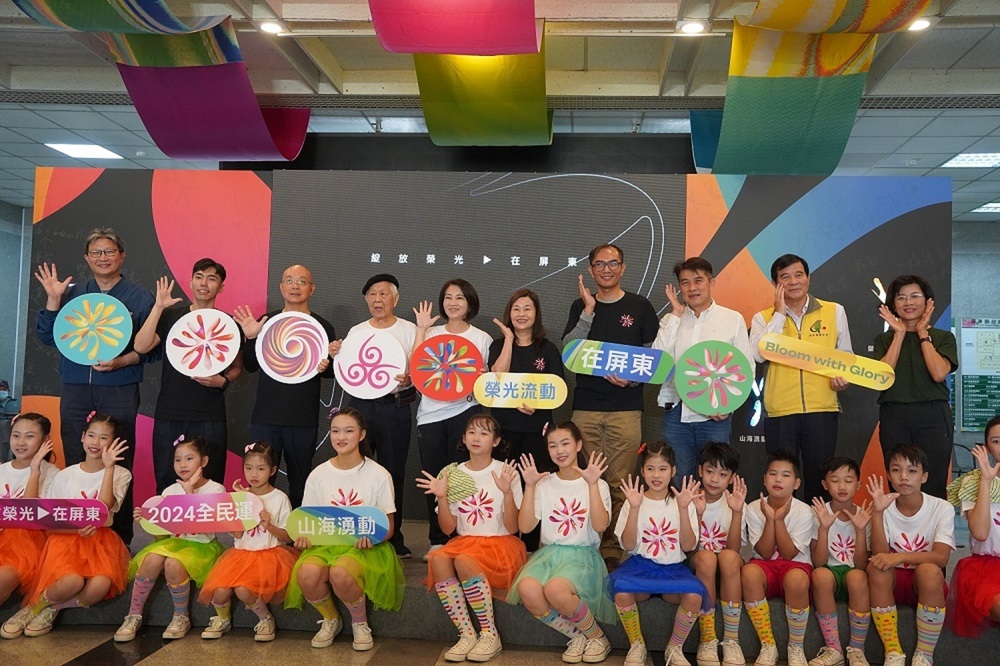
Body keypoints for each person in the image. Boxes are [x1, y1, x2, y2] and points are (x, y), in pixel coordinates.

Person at [34, 228, 156, 544]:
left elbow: (151, 349)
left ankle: (119, 537)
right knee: (77, 453)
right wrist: (53, 299)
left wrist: (121, 362)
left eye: (109, 251)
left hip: (119, 385)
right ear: (87, 258)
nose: (103, 258)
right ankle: (73, 531)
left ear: (122, 256)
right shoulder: (71, 293)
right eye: (96, 252)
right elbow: (47, 336)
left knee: (118, 458)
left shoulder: (140, 296)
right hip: (75, 385)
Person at [562, 244, 659, 568]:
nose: (607, 269)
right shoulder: (581, 305)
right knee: (585, 479)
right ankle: (585, 542)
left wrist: (631, 380)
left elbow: (653, 358)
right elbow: (569, 351)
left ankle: (612, 549)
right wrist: (588, 311)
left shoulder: (640, 306)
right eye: (600, 264)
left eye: (613, 263)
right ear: (591, 269)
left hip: (625, 407)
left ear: (623, 267)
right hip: (586, 406)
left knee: (619, 482)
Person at [1, 413, 131, 639]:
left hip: (99, 540)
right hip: (65, 538)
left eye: (103, 438)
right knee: (72, 581)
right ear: (82, 437)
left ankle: (51, 609)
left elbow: (103, 507)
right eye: (91, 435)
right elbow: (48, 522)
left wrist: (109, 468)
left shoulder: (121, 474)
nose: (95, 442)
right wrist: (73, 529)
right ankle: (31, 608)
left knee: (99, 586)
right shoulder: (66, 475)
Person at [285, 408, 404, 651]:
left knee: (341, 572)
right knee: (306, 574)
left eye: (349, 431)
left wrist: (373, 538)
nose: (341, 437)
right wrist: (304, 538)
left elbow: (388, 526)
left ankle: (360, 623)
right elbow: (308, 521)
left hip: (365, 548)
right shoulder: (318, 474)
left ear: (362, 434)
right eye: (335, 431)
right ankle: (331, 619)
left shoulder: (378, 474)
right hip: (325, 545)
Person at [417, 414, 527, 662]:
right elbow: (448, 529)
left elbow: (513, 527)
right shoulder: (452, 473)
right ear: (464, 438)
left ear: (496, 441)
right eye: (472, 432)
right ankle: (467, 633)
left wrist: (507, 494)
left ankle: (489, 634)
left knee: (463, 560)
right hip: (465, 541)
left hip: (499, 544)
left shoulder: (506, 472)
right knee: (438, 558)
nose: (476, 438)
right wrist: (442, 497)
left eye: (484, 433)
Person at [507, 422, 616, 664]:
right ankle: (577, 636)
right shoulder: (544, 483)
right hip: (548, 554)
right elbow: (525, 527)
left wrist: (592, 484)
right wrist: (530, 486)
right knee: (527, 589)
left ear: (578, 444)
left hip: (582, 555)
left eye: (565, 443)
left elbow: (601, 526)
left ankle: (597, 637)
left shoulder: (597, 483)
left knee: (555, 590)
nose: (559, 450)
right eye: (553, 445)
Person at [749, 254, 852, 502]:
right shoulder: (763, 318)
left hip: (821, 408)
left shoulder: (834, 311)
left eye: (798, 275)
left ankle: (818, 526)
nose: (793, 281)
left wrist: (842, 377)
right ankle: (781, 526)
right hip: (780, 411)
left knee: (820, 479)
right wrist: (779, 314)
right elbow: (758, 355)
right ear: (776, 284)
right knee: (781, 482)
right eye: (785, 277)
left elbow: (846, 356)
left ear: (808, 278)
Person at [133, 260, 243, 491]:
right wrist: (158, 307)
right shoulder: (171, 316)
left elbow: (236, 367)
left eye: (212, 279)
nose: (204, 283)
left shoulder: (229, 323)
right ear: (191, 282)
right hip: (170, 411)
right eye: (199, 277)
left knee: (210, 479)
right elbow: (141, 346)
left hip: (209, 413)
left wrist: (222, 381)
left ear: (221, 287)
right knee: (167, 478)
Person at [330, 273, 417, 558]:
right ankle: (355, 531)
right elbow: (344, 367)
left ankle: (393, 537)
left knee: (393, 473)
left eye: (383, 294)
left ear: (395, 299)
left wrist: (411, 379)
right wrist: (334, 354)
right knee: (355, 470)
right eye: (372, 295)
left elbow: (422, 368)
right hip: (360, 408)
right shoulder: (356, 331)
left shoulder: (410, 330)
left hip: (395, 407)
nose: (377, 300)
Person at [234, 264, 336, 508]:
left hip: (303, 419)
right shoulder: (266, 322)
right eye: (289, 280)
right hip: (266, 417)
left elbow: (330, 374)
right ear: (281, 287)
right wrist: (252, 337)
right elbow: (250, 366)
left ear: (312, 289)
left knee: (301, 480)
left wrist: (327, 364)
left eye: (302, 281)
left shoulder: (323, 327)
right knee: (259, 478)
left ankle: (297, 527)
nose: (295, 286)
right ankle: (257, 527)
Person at [607, 442, 710, 666]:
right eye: (650, 468)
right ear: (642, 471)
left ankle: (675, 647)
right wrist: (634, 508)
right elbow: (628, 545)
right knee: (622, 592)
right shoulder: (634, 500)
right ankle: (637, 644)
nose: (656, 475)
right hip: (641, 567)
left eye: (663, 469)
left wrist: (683, 509)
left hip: (673, 570)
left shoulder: (682, 501)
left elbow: (688, 546)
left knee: (694, 596)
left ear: (673, 471)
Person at [653, 258, 754, 482]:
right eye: (685, 282)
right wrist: (676, 315)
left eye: (698, 281)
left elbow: (746, 368)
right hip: (676, 412)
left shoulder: (732, 319)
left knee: (713, 481)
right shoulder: (671, 320)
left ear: (711, 282)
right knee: (681, 481)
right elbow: (657, 363)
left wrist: (728, 405)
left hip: (714, 415)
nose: (692, 288)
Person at [414, 279, 493, 560]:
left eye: (459, 297)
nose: (453, 303)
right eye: (448, 297)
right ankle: (437, 538)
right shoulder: (430, 332)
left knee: (464, 477)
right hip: (430, 416)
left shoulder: (482, 338)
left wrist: (484, 378)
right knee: (434, 477)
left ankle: (463, 536)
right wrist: (421, 329)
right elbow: (416, 367)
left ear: (470, 303)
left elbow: (488, 383)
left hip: (466, 413)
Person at [117, 436, 225, 642]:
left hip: (201, 545)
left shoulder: (216, 489)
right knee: (151, 558)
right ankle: (133, 615)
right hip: (173, 543)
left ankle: (181, 617)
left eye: (189, 459)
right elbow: (162, 537)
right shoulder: (169, 491)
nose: (182, 465)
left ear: (203, 461)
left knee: (173, 563)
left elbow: (206, 527)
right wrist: (148, 522)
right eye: (177, 460)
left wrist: (190, 494)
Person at [488, 288, 565, 551]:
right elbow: (496, 376)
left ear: (536, 313)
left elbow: (558, 388)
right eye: (516, 309)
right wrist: (509, 340)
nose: (521, 314)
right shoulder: (498, 345)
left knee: (534, 484)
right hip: (504, 430)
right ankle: (505, 541)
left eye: (527, 308)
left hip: (536, 429)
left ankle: (531, 545)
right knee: (506, 484)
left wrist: (537, 403)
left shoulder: (548, 349)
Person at [198, 441, 297, 642]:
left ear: (272, 470)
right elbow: (237, 535)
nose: (254, 474)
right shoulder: (242, 497)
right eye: (248, 468)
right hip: (240, 555)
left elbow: (288, 537)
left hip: (268, 555)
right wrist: (239, 504)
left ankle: (265, 619)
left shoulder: (279, 498)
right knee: (219, 592)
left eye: (261, 469)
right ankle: (223, 619)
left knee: (243, 590)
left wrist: (269, 525)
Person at [866, 445, 955, 666]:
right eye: (896, 470)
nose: (903, 476)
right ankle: (893, 652)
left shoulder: (941, 507)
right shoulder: (883, 505)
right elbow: (879, 555)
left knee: (930, 571)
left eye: (912, 471)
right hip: (891, 582)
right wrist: (877, 513)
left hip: (925, 583)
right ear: (888, 475)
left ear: (924, 476)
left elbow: (941, 557)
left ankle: (924, 655)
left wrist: (899, 557)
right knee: (876, 568)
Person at [875, 275, 958, 499]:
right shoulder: (884, 339)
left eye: (915, 296)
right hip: (894, 415)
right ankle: (899, 523)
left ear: (927, 301)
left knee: (934, 479)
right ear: (893, 304)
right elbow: (881, 376)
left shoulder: (943, 337)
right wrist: (899, 334)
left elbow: (939, 373)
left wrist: (923, 333)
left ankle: (934, 524)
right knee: (898, 479)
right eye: (901, 297)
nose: (908, 302)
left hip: (933, 415)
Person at [741, 451, 816, 666]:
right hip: (764, 566)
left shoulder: (804, 511)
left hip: (795, 566)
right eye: (773, 474)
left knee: (796, 579)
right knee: (749, 572)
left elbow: (789, 554)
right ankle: (768, 645)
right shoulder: (754, 508)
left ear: (796, 483)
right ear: (764, 479)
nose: (778, 480)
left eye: (785, 475)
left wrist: (779, 520)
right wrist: (769, 519)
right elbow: (765, 553)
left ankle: (796, 647)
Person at [809, 458, 873, 666]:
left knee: (858, 577)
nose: (842, 486)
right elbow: (818, 562)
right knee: (819, 575)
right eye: (835, 480)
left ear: (858, 485)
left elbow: (861, 565)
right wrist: (824, 528)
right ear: (825, 484)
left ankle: (857, 649)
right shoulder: (818, 513)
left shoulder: (865, 515)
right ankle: (834, 648)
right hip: (829, 572)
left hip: (854, 574)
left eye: (848, 480)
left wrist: (860, 530)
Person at [0, 413, 58, 636]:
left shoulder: (53, 474)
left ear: (45, 440)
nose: (21, 442)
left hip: (27, 543)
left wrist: (34, 471)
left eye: (29, 436)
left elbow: (31, 514)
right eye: (16, 435)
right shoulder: (2, 469)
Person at [689, 442, 747, 666]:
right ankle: (708, 638)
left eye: (723, 474)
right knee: (705, 557)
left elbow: (733, 550)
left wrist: (737, 512)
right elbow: (689, 548)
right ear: (700, 470)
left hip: (726, 565)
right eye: (710, 471)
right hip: (698, 562)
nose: (714, 479)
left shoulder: (734, 502)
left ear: (732, 478)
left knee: (729, 557)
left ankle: (731, 640)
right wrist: (698, 514)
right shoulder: (690, 499)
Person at [946, 415, 1000, 638]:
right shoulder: (973, 482)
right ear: (987, 447)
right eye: (996, 441)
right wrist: (986, 482)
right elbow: (980, 532)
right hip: (986, 568)